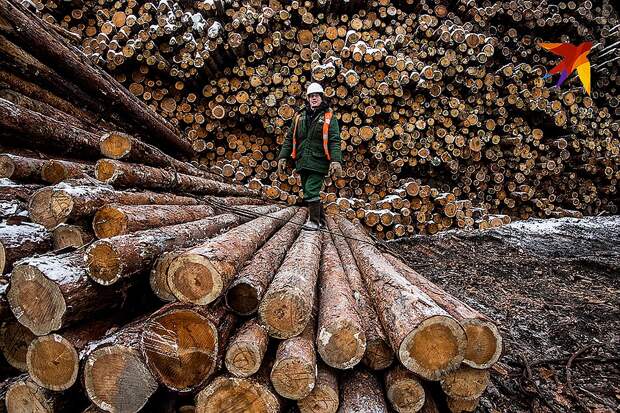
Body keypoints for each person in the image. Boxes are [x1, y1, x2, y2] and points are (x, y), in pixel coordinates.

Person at [277, 82, 343, 230]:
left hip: (319, 160)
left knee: (311, 189)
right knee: (307, 190)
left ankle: (313, 222)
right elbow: (289, 138)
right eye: (311, 96)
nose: (314, 98)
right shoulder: (299, 116)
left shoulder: (328, 117)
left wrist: (336, 160)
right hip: (302, 160)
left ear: (321, 97)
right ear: (308, 98)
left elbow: (334, 140)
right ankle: (321, 221)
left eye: (316, 96)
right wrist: (283, 157)